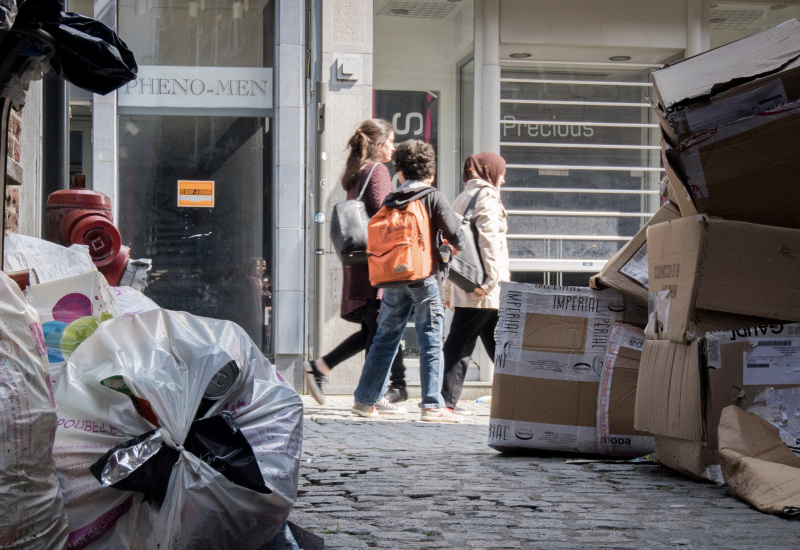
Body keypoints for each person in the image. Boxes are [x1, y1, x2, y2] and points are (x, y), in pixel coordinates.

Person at [352, 139, 465, 422]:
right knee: (430, 338)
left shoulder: (391, 199)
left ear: (399, 171)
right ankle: (431, 406)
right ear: (431, 172)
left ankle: (365, 401)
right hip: (423, 276)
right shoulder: (432, 196)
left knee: (385, 337)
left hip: (393, 277)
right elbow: (456, 235)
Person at [304, 119, 408, 410]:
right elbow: (383, 213)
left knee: (374, 330)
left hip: (362, 264)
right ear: (378, 143)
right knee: (381, 332)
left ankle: (323, 368)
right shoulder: (378, 171)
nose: (393, 146)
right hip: (376, 266)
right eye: (390, 141)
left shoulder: (357, 172)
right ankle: (372, 394)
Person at [441, 153, 510, 414]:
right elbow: (490, 242)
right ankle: (443, 402)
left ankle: (515, 396)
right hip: (483, 287)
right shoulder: (488, 198)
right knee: (461, 343)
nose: (503, 178)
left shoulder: (463, 197)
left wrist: (450, 289)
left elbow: (450, 245)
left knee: (497, 343)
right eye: (501, 172)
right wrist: (492, 280)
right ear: (489, 171)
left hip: (468, 283)